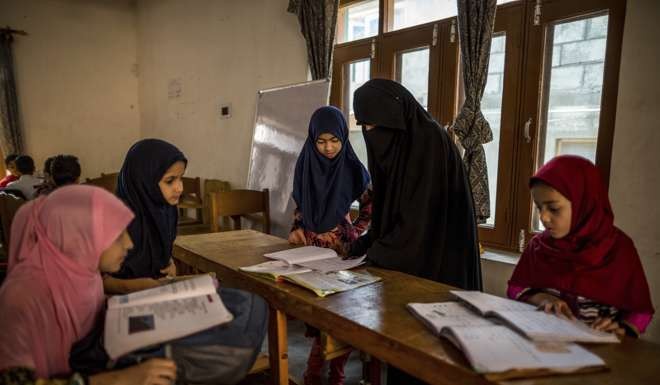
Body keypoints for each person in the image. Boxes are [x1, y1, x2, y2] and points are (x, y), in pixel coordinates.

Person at [350, 79, 482, 385]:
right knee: (406, 358)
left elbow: (419, 226)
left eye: (372, 125)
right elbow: (391, 214)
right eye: (362, 125)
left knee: (433, 359)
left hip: (439, 270)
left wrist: (376, 253)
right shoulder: (400, 145)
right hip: (412, 268)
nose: (368, 133)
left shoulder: (429, 144)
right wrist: (364, 243)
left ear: (392, 120)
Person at [0, 185, 177, 385]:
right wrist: (117, 379)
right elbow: (13, 381)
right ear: (78, 238)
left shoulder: (87, 276)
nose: (129, 244)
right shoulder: (22, 296)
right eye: (117, 236)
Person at [507, 155, 654, 337]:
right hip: (545, 344)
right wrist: (542, 298)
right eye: (539, 207)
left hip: (603, 352)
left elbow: (641, 310)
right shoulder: (538, 246)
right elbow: (515, 288)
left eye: (553, 209)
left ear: (584, 204)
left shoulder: (619, 249)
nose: (543, 218)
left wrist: (624, 328)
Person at [289, 106, 372, 385]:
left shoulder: (351, 166)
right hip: (310, 251)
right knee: (317, 318)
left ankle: (328, 375)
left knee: (341, 317)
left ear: (344, 138)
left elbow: (371, 207)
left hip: (343, 253)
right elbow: (301, 206)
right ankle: (315, 372)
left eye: (335, 140)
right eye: (321, 141)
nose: (328, 148)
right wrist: (297, 228)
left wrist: (354, 232)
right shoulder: (305, 164)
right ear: (312, 139)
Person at [103, 139, 185, 294]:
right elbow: (94, 280)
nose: (180, 188)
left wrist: (170, 262)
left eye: (181, 178)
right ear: (144, 180)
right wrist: (128, 286)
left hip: (157, 293)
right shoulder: (114, 218)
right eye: (170, 181)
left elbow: (162, 250)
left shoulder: (167, 210)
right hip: (119, 299)